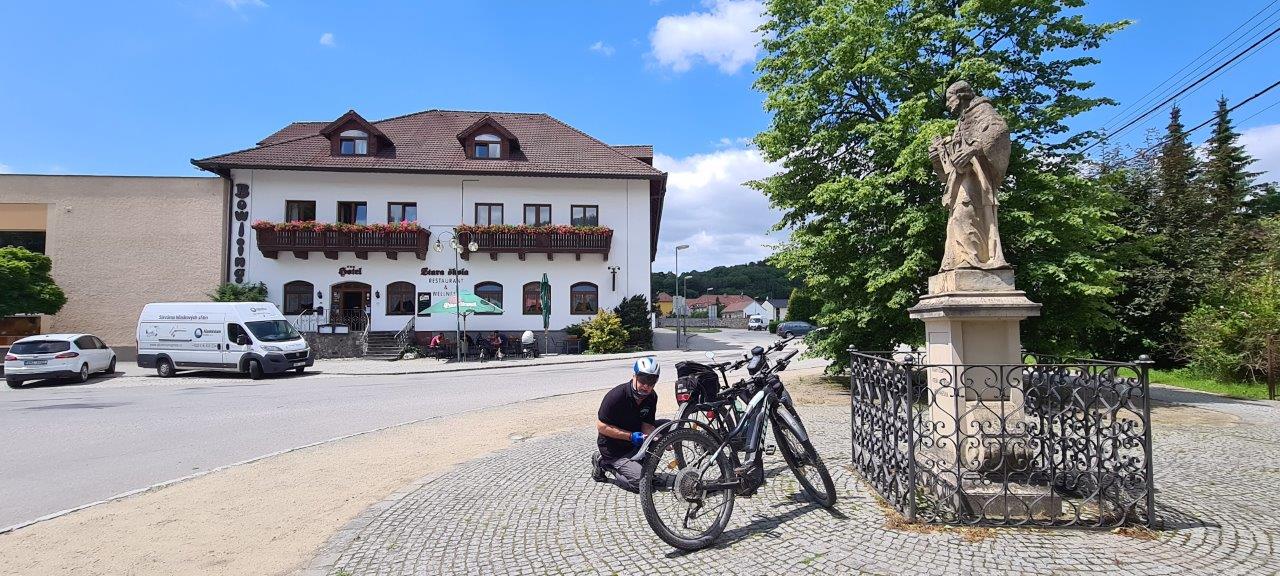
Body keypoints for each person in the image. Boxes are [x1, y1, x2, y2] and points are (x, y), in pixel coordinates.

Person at [591, 357, 666, 493]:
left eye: (651, 381)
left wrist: (661, 438)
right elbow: (601, 426)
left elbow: (647, 425)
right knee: (643, 485)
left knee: (669, 427)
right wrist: (630, 436)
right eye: (643, 380)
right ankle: (605, 463)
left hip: (635, 443)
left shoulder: (651, 397)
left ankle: (643, 468)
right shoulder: (616, 396)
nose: (646, 386)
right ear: (634, 376)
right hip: (614, 450)